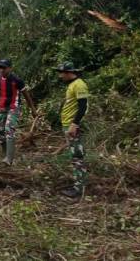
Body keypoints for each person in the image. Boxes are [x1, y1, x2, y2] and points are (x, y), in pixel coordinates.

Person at [0, 59, 35, 165]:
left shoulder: (16, 80)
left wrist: (32, 108)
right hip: (1, 107)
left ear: (10, 68)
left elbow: (26, 94)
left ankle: (9, 159)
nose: (1, 69)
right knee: (0, 133)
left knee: (9, 129)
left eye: (4, 67)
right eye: (0, 67)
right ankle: (5, 154)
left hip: (13, 107)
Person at [55, 62, 90, 198]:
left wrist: (74, 124)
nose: (60, 75)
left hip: (72, 125)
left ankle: (79, 188)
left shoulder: (79, 85)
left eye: (62, 72)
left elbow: (83, 107)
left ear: (69, 72)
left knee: (77, 155)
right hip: (68, 124)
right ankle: (78, 184)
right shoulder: (72, 85)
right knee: (75, 155)